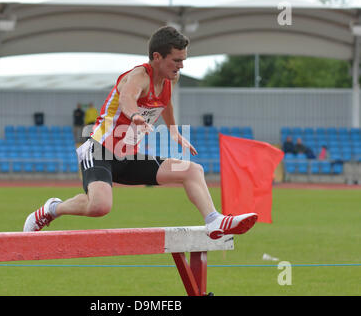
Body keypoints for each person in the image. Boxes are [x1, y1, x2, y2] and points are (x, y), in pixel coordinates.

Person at [23, 26, 258, 240]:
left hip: (127, 155)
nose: (181, 66)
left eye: (183, 60)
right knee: (100, 207)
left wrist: (174, 131)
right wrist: (134, 115)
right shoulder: (138, 76)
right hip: (98, 148)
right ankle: (52, 208)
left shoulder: (169, 79)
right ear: (157, 57)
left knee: (192, 170)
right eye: (176, 60)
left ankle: (213, 221)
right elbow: (127, 97)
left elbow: (166, 104)